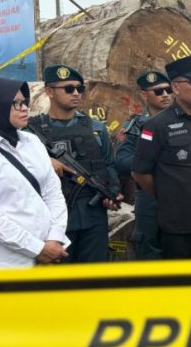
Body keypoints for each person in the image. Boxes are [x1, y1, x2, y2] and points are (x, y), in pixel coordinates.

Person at [131, 55, 191, 259]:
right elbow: (140, 173)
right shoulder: (156, 126)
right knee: (181, 285)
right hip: (179, 223)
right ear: (175, 88)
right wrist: (169, 195)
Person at [27, 65, 122, 263]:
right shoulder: (31, 132)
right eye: (69, 89)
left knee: (94, 279)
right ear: (49, 92)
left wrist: (111, 191)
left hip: (93, 216)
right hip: (54, 222)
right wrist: (45, 162)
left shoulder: (96, 128)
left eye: (80, 88)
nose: (76, 93)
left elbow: (108, 165)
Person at [0, 78, 70, 268]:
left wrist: (55, 238)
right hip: (4, 263)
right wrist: (37, 248)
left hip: (47, 256)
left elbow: (53, 193)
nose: (24, 108)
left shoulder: (31, 142)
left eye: (24, 102)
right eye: (15, 103)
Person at [114, 69, 173, 260]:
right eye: (158, 91)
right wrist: (153, 163)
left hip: (182, 194)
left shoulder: (184, 119)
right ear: (143, 95)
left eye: (168, 90)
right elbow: (122, 161)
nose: (165, 95)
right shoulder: (135, 126)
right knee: (150, 250)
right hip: (149, 196)